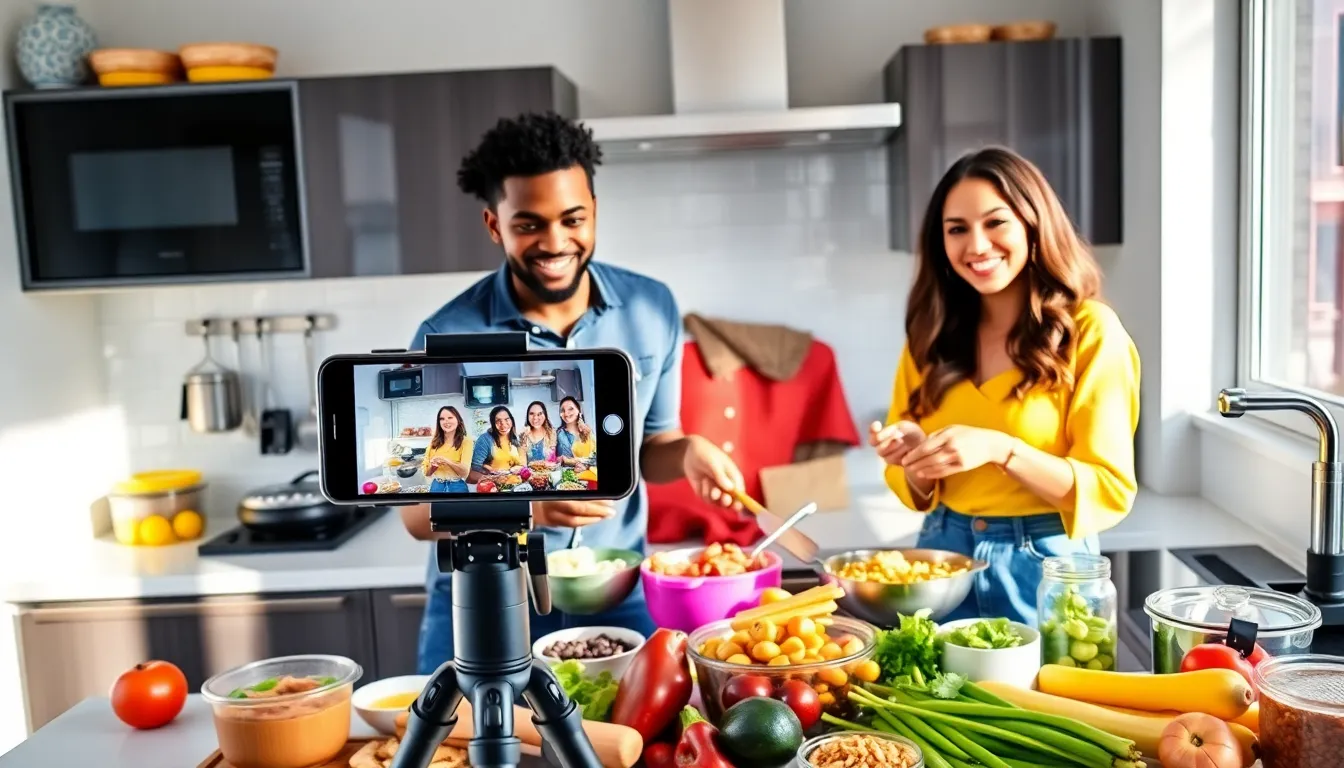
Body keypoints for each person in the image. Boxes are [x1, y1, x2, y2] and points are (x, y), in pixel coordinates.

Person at [399, 111, 745, 674]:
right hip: (486, 598)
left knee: (630, 730)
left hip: (615, 592)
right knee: (465, 733)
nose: (555, 242)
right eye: (529, 225)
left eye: (572, 219)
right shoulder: (445, 335)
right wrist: (530, 508)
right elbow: (417, 515)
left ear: (595, 212)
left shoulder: (651, 308)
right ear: (494, 225)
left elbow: (652, 447)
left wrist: (687, 452)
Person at [869, 147, 1141, 627]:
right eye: (957, 229)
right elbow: (914, 488)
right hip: (942, 556)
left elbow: (1109, 488)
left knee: (1050, 679)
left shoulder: (1090, 332)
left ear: (1034, 224)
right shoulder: (929, 339)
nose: (976, 245)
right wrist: (916, 461)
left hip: (1046, 565)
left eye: (995, 222)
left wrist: (1001, 450)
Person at [421, 405, 473, 492]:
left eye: (450, 417)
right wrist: (433, 466)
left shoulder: (466, 441)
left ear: (458, 420)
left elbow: (464, 473)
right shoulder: (433, 443)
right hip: (436, 486)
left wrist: (446, 461)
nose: (446, 421)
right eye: (442, 419)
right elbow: (427, 473)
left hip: (457, 486)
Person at [469, 405, 524, 480]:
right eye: (498, 421)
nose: (503, 424)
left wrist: (517, 468)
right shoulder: (485, 439)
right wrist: (491, 471)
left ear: (512, 420)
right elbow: (475, 465)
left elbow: (522, 463)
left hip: (514, 481)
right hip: (493, 481)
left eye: (506, 419)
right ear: (493, 424)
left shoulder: (515, 438)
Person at [556, 395, 595, 469]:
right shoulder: (559, 434)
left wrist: (585, 465)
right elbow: (562, 460)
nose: (566, 413)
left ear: (579, 411)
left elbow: (595, 458)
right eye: (563, 410)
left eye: (571, 409)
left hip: (587, 473)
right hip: (567, 474)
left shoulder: (588, 431)